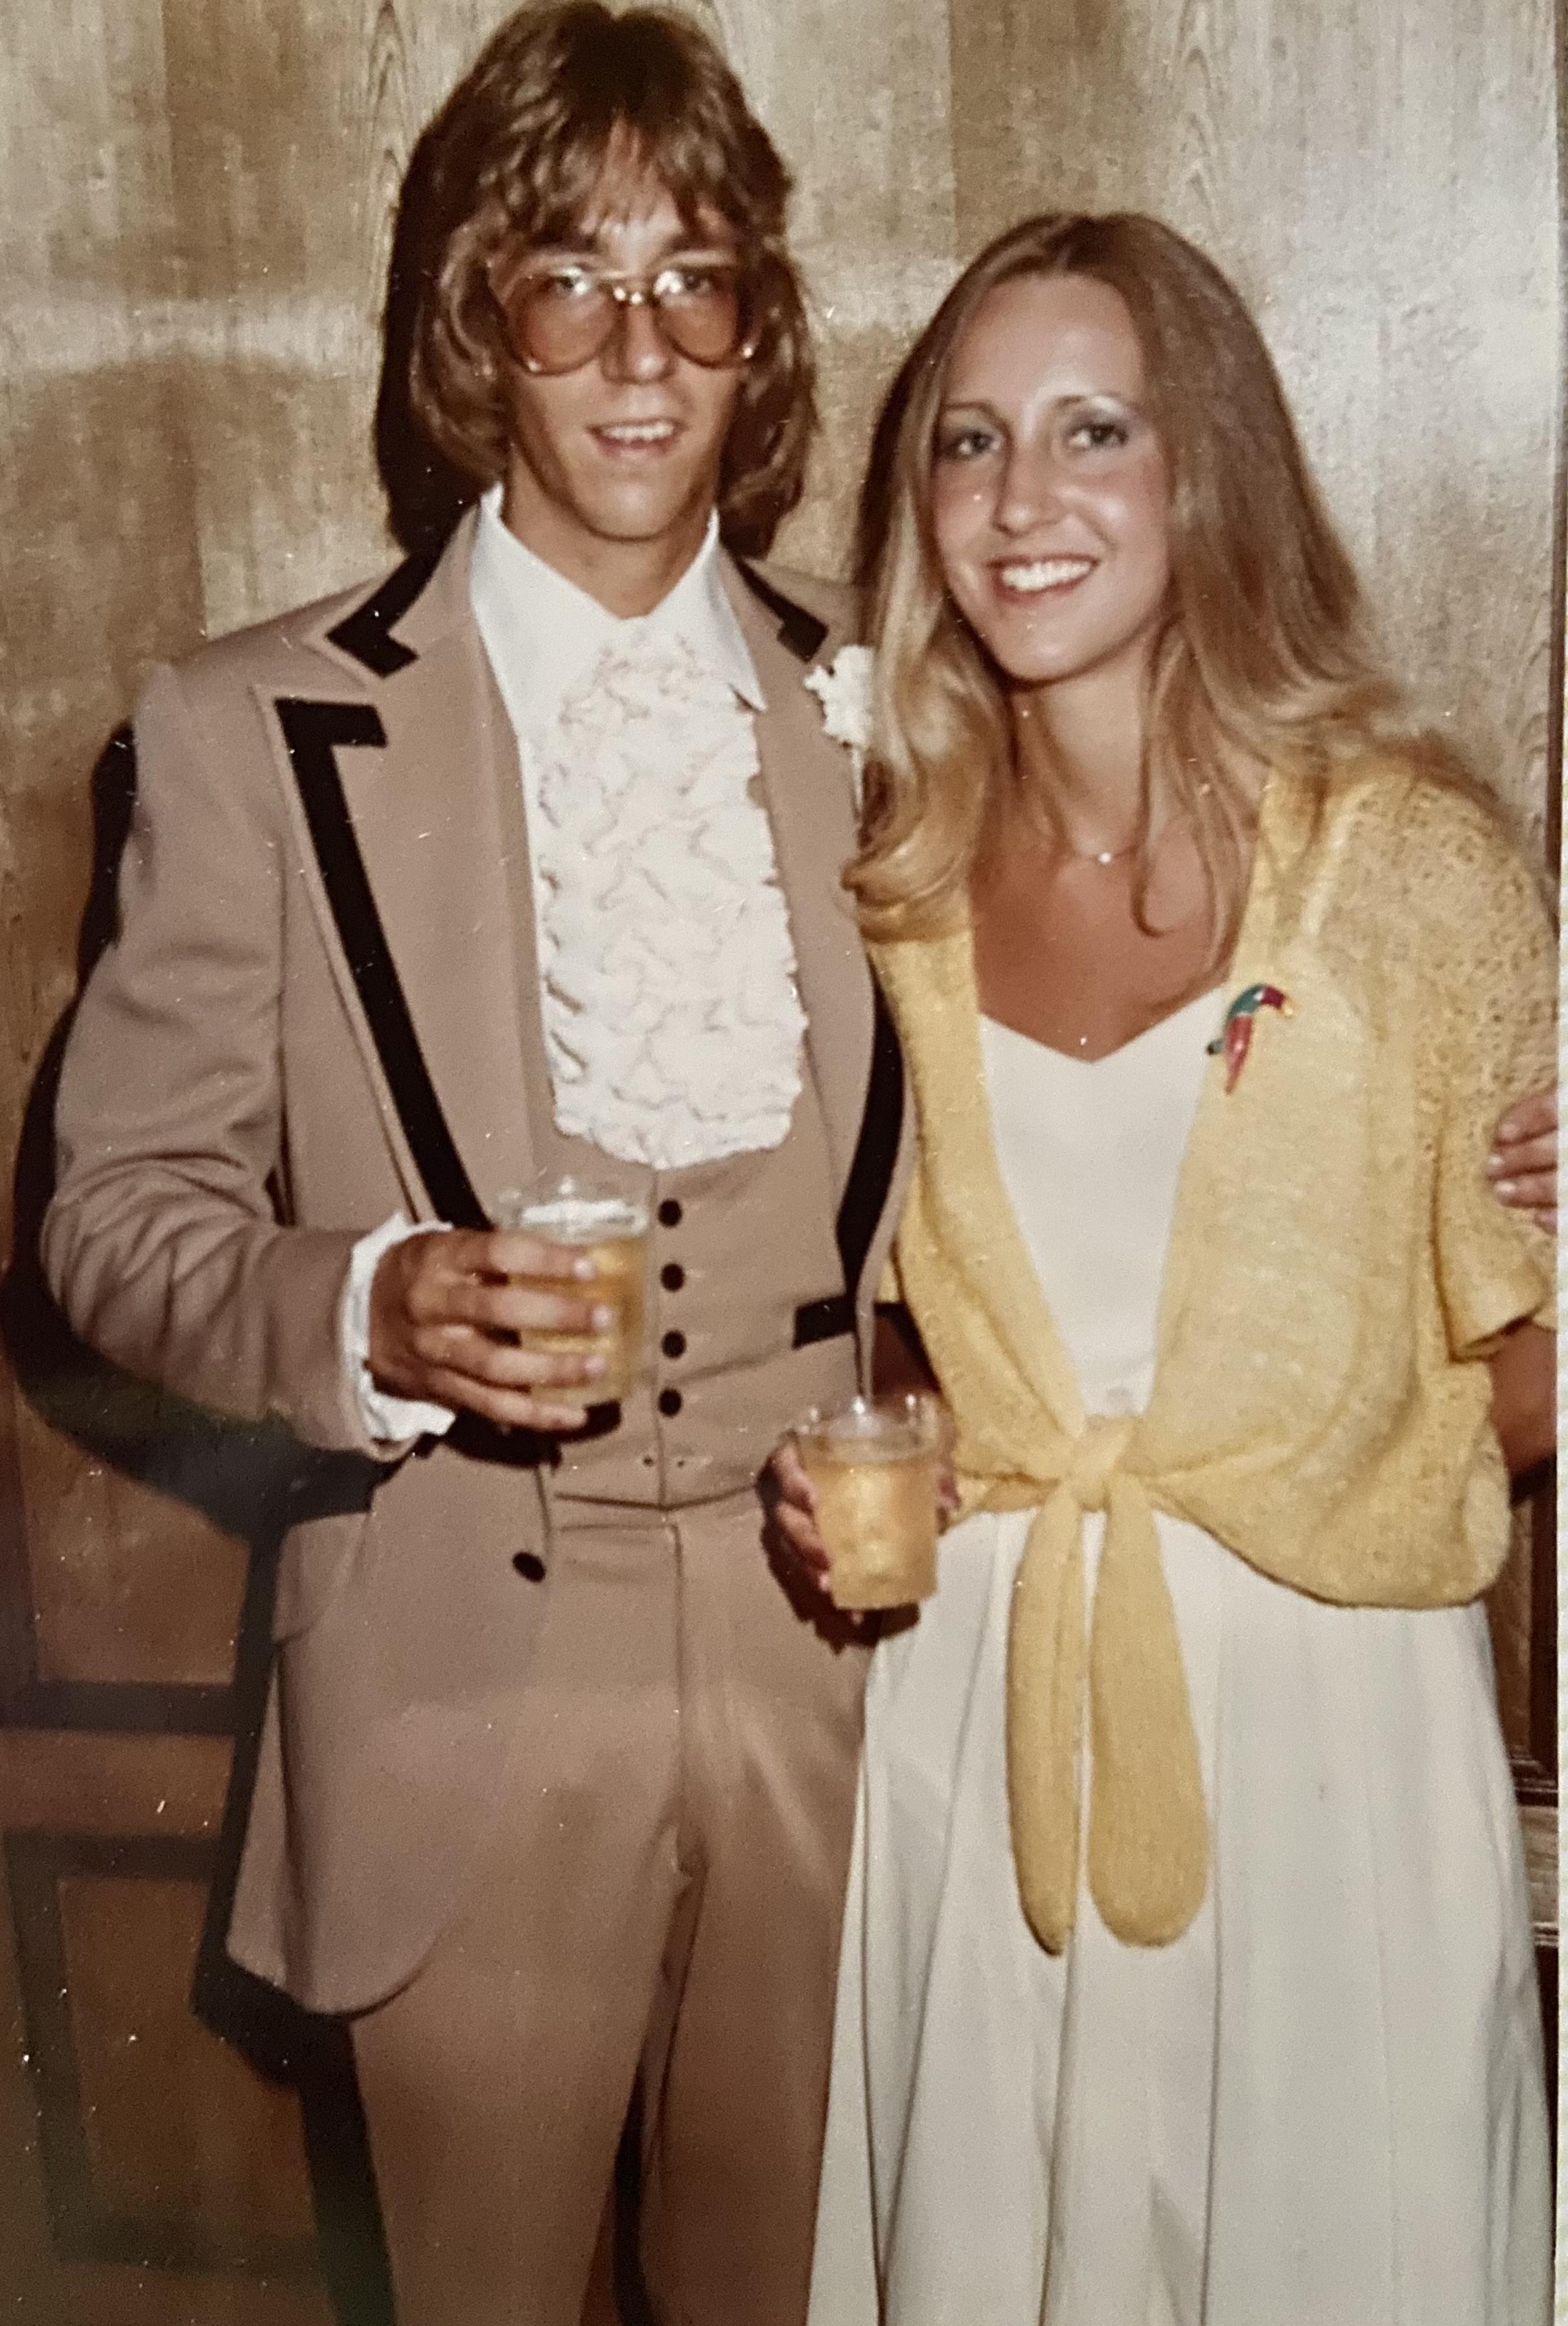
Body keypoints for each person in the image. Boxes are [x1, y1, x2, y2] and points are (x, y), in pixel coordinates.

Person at [40, 8, 914, 2323]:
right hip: (458, 1677)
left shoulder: (898, 710)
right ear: (476, 324)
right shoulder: (252, 728)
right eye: (568, 282)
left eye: (692, 281)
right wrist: (364, 1307)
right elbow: (110, 1223)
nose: (636, 352)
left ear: (758, 331)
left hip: (841, 1664)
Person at [770, 213, 1557, 2325]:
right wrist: (879, 1455)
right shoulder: (882, 889)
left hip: (1324, 1725)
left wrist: (1310, 1475)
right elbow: (876, 1321)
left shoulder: (1406, 867)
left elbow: (1534, 1346)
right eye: (967, 441)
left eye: (1090, 431)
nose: (1019, 499)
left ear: (1205, 467)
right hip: (979, 1708)